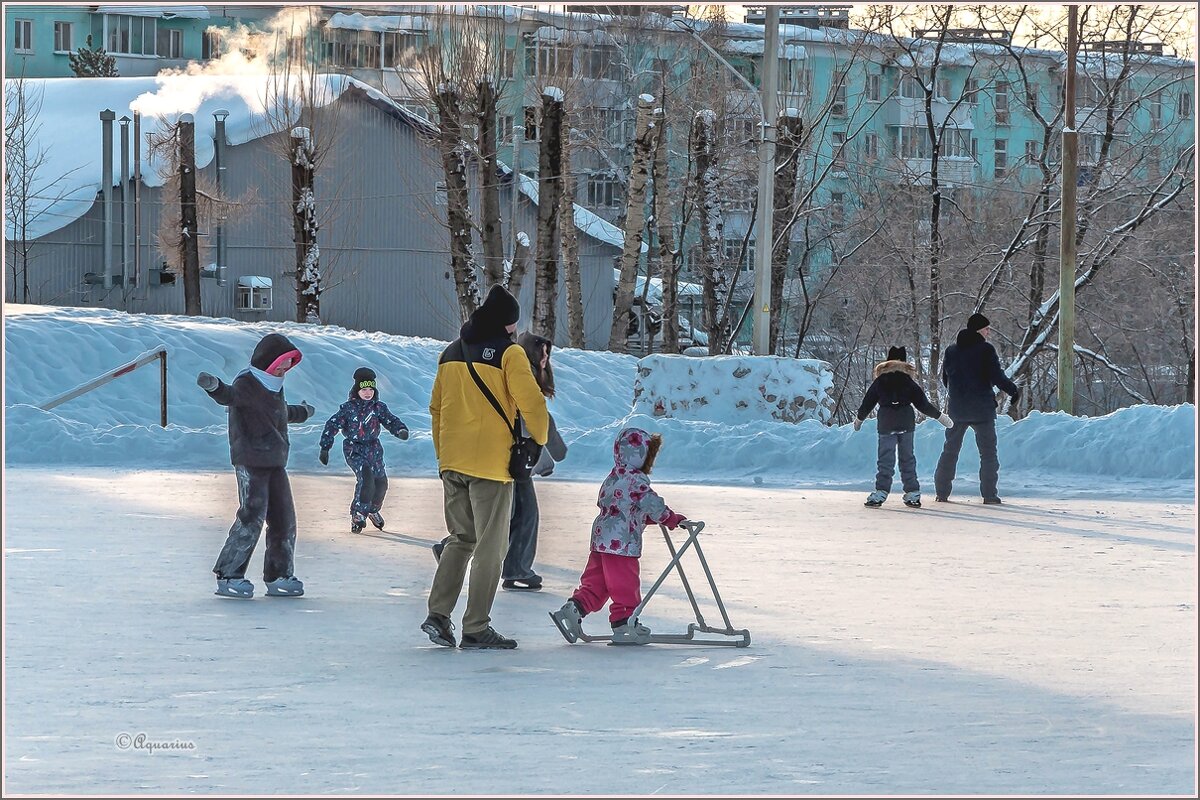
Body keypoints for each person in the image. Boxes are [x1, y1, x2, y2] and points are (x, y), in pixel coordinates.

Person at [421, 285, 549, 650]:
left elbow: (436, 409)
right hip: (491, 466)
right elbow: (533, 405)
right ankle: (476, 626)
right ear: (507, 324)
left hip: (453, 462)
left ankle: (438, 614)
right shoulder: (509, 355)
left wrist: (443, 456)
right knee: (491, 550)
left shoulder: (450, 353)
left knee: (461, 540)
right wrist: (536, 442)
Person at [197, 333, 314, 599]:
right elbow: (229, 396)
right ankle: (229, 574)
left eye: (289, 363)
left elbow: (281, 412)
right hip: (250, 459)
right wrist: (213, 386)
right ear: (267, 361)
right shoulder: (248, 383)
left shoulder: (274, 387)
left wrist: (303, 412)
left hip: (275, 460)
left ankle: (279, 574)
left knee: (284, 519)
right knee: (252, 516)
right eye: (282, 363)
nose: (285, 369)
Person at [550, 427, 687, 646]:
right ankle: (624, 623)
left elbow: (624, 507)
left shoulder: (613, 477)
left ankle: (574, 608)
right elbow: (651, 504)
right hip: (621, 543)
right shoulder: (636, 481)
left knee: (598, 582)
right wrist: (669, 518)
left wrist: (645, 519)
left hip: (601, 540)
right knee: (625, 583)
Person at [934, 312, 1021, 505]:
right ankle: (989, 495)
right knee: (988, 454)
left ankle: (942, 493)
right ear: (979, 330)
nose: (989, 332)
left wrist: (958, 393)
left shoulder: (951, 351)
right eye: (986, 328)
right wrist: (1013, 390)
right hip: (982, 410)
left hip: (957, 409)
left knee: (950, 451)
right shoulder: (986, 350)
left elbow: (946, 379)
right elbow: (997, 376)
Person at [854, 345, 954, 508]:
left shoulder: (880, 380)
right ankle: (912, 493)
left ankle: (881, 492)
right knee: (907, 459)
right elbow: (923, 404)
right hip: (906, 423)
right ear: (904, 362)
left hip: (886, 423)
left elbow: (868, 402)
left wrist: (859, 419)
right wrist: (941, 417)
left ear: (887, 362)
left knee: (885, 459)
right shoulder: (908, 381)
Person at [318, 367, 410, 534]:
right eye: (364, 389)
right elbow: (332, 425)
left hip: (374, 449)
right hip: (355, 449)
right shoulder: (348, 408)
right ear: (357, 390)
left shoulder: (378, 407)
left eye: (371, 389)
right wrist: (325, 446)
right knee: (366, 479)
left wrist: (400, 430)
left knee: (381, 483)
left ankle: (373, 510)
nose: (368, 393)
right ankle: (358, 514)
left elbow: (390, 420)